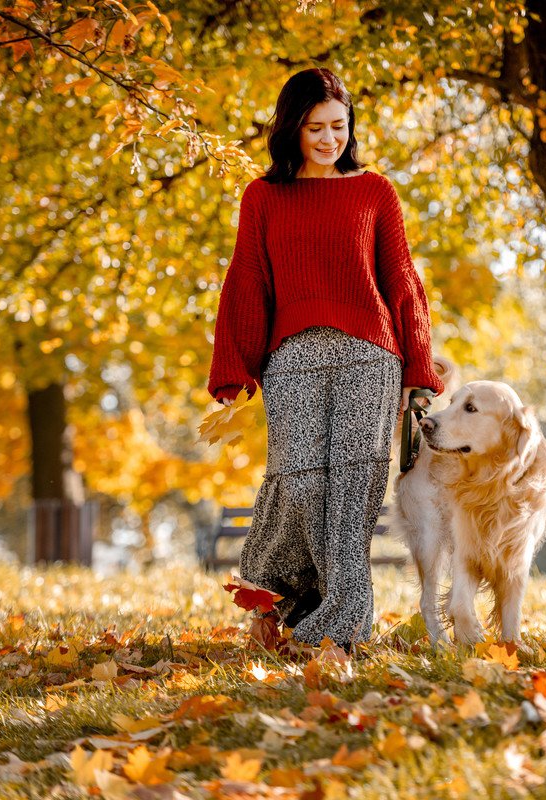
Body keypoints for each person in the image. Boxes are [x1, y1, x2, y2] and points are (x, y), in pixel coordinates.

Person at [206, 67, 445, 650]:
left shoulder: (375, 192)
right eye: (316, 128)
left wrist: (420, 370)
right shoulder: (263, 196)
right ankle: (284, 590)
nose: (329, 139)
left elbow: (402, 282)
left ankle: (341, 624)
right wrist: (234, 366)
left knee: (353, 488)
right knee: (299, 481)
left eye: (339, 126)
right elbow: (247, 281)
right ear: (292, 128)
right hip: (291, 357)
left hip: (371, 355)